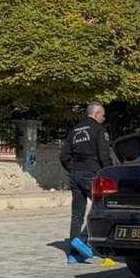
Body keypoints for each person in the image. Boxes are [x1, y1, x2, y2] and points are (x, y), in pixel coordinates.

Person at [60, 102, 113, 264]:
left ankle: (73, 255)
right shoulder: (99, 130)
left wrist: (73, 169)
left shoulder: (75, 131)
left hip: (75, 174)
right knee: (103, 206)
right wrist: (110, 173)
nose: (103, 119)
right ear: (96, 114)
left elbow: (63, 156)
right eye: (102, 116)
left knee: (77, 215)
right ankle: (83, 239)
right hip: (92, 174)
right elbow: (104, 156)